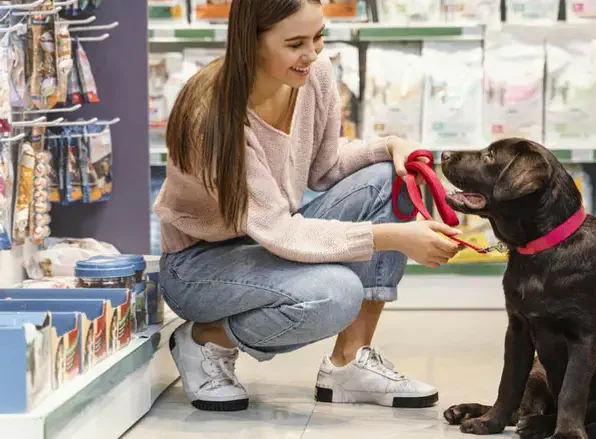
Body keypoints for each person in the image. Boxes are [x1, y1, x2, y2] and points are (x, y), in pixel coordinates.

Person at [153, 0, 463, 412]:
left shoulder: (313, 74)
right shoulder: (210, 116)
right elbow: (281, 231)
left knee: (392, 179)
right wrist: (393, 238)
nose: (313, 54)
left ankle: (349, 363)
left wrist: (391, 147)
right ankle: (205, 339)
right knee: (335, 295)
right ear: (251, 42)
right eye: (295, 43)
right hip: (200, 268)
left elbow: (324, 168)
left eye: (318, 37)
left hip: (268, 239)